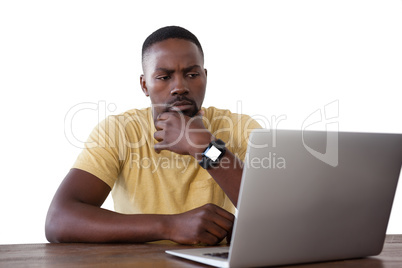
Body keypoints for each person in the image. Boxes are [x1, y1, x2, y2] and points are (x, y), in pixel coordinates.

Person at [45, 26, 261, 245]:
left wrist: (204, 146)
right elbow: (59, 221)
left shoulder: (238, 127)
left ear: (205, 77)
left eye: (192, 74)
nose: (179, 87)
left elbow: (274, 211)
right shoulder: (118, 131)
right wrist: (170, 226)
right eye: (164, 77)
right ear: (144, 84)